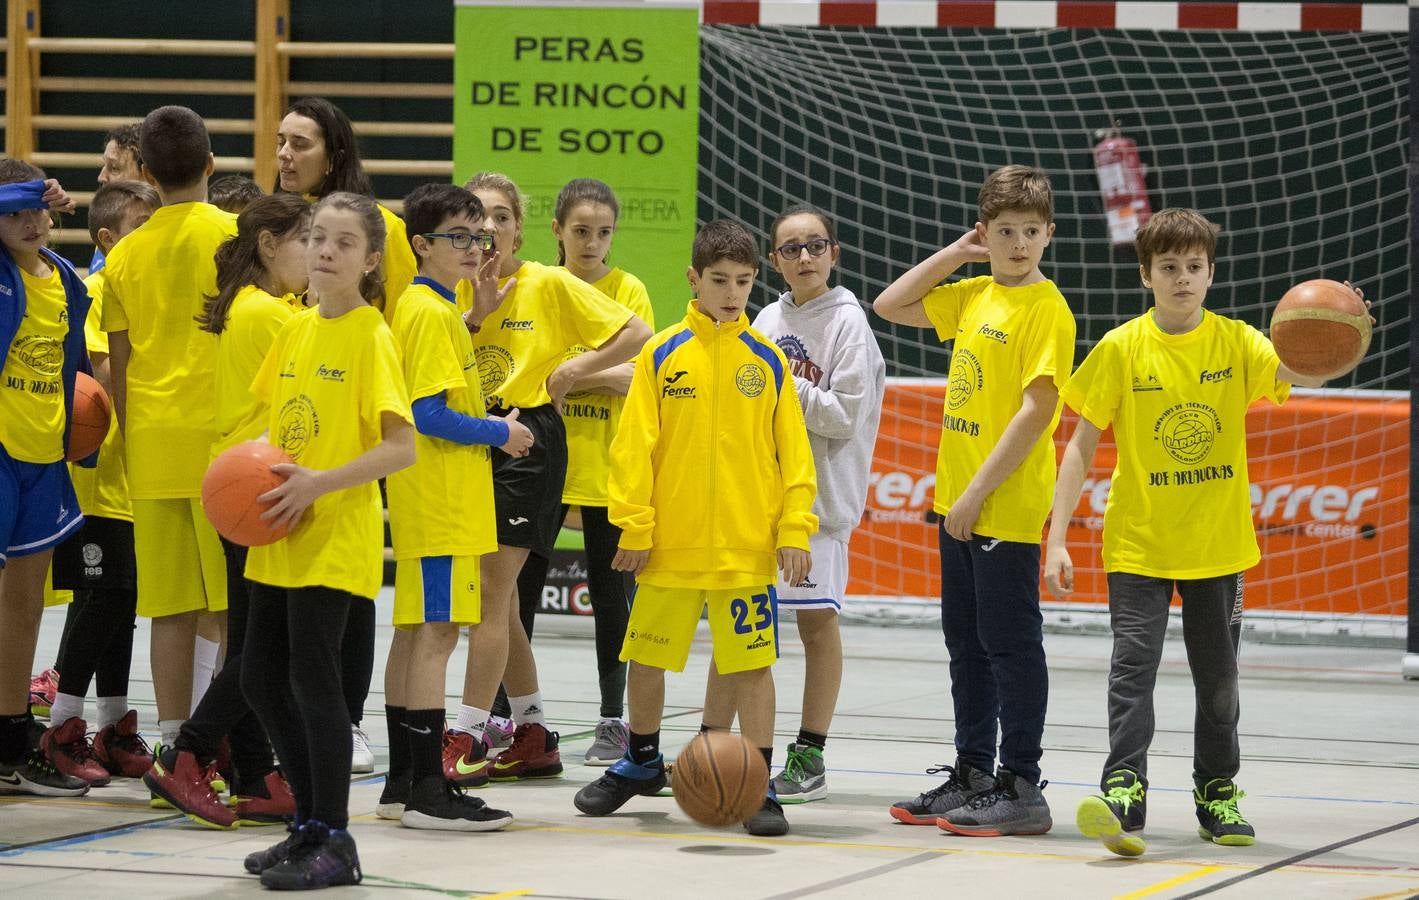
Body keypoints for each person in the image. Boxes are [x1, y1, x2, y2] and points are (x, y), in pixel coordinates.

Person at [1043, 208, 1345, 856]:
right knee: (1132, 671)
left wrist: (1337, 332)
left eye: (1194, 267)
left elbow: (1299, 372)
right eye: (1169, 267)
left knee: (1218, 682)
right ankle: (1123, 788)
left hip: (1217, 548)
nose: (1182, 278)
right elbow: (1079, 445)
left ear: (1210, 273)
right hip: (1137, 545)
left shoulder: (1237, 342)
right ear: (1145, 274)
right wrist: (1058, 536)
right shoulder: (1120, 348)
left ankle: (1216, 792)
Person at [572, 219, 818, 838]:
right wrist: (634, 525)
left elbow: (795, 455)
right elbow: (632, 451)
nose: (732, 293)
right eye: (718, 281)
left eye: (742, 281)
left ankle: (757, 782)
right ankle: (640, 761)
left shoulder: (767, 361)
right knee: (646, 659)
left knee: (752, 668)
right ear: (693, 280)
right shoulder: (659, 353)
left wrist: (794, 528)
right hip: (667, 548)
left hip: (747, 549)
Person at [874, 164, 1074, 836]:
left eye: (1028, 232)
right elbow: (889, 304)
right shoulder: (974, 293)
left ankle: (1021, 782)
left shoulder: (1046, 310)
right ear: (985, 232)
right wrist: (957, 254)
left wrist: (975, 494)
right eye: (1003, 232)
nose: (1017, 244)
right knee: (964, 642)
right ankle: (972, 772)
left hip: (1001, 504)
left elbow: (1035, 413)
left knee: (1009, 644)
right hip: (957, 501)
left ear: (1047, 235)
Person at [441, 172, 649, 786]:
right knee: (502, 602)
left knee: (488, 591)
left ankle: (468, 733)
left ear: (521, 228)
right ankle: (530, 732)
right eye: (475, 221)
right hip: (471, 439)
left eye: (500, 218)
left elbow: (636, 335)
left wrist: (573, 371)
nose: (488, 230)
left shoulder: (546, 282)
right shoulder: (452, 292)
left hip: (529, 442)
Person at [238, 192, 414, 889]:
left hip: (334, 531)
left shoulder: (372, 335)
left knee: (314, 679)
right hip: (278, 528)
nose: (325, 252)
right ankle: (308, 822)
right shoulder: (294, 328)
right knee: (257, 676)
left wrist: (320, 483)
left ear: (370, 260)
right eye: (317, 239)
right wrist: (243, 475)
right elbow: (274, 431)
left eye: (343, 243)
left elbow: (400, 449)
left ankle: (337, 839)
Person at [702, 204, 884, 803]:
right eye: (790, 249)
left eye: (815, 246)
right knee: (742, 628)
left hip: (820, 506)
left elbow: (844, 415)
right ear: (774, 262)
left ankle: (810, 752)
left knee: (815, 624)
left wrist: (785, 377)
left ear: (835, 253)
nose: (804, 257)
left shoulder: (848, 322)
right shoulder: (764, 318)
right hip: (757, 502)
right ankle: (714, 747)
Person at [143, 194, 313, 830]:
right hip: (257, 487)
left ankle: (250, 772)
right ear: (269, 245)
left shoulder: (255, 305)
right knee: (264, 646)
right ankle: (186, 753)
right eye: (307, 242)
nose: (316, 256)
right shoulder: (271, 315)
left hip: (239, 484)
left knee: (249, 637)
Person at [379, 182, 531, 831]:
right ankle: (425, 793)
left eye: (480, 237)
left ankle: (401, 782)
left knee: (415, 634)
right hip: (441, 500)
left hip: (428, 499)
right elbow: (428, 414)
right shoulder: (432, 313)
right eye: (460, 238)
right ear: (421, 244)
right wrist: (503, 432)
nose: (475, 248)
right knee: (436, 637)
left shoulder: (429, 307)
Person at [274, 96, 417, 771]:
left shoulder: (370, 306)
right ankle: (306, 811)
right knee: (269, 670)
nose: (285, 155)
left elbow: (400, 327)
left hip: (349, 463)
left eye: (300, 143)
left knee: (331, 644)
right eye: (279, 141)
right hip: (291, 478)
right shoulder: (294, 307)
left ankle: (341, 759)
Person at [102, 106, 235, 759]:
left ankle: (173, 745)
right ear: (212, 164)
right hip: (224, 448)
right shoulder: (239, 239)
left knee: (169, 608)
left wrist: (132, 442)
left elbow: (118, 367)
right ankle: (225, 741)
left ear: (147, 174)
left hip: (152, 446)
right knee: (228, 608)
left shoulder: (123, 255)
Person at [513, 178, 654, 765]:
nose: (592, 242)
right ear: (557, 231)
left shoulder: (629, 292)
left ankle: (612, 720)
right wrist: (588, 370)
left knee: (612, 603)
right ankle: (512, 718)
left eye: (603, 232)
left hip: (608, 469)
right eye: (580, 231)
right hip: (541, 465)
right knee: (515, 602)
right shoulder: (538, 288)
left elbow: (638, 377)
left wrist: (570, 373)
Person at [41, 180, 161, 787]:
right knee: (102, 596)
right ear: (109, 239)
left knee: (127, 596)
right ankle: (61, 727)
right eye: (142, 226)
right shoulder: (95, 290)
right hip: (96, 476)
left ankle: (114, 724)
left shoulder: (143, 291)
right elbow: (108, 381)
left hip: (138, 472)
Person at [0, 161, 95, 797]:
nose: (30, 222)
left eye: (39, 209)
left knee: (26, 604)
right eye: (14, 212)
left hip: (44, 460)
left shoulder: (63, 278)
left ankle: (11, 743)